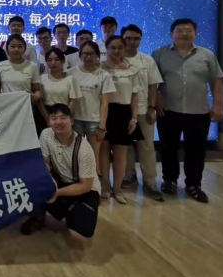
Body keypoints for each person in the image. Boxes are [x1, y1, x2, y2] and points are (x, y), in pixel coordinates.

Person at [153, 18, 223, 203]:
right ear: (171, 34)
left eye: (188, 30)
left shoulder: (207, 55)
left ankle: (194, 184)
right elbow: (152, 83)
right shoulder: (159, 54)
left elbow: (216, 81)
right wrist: (156, 103)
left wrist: (218, 105)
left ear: (195, 33)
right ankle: (169, 180)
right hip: (168, 110)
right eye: (179, 30)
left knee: (196, 150)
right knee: (168, 148)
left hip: (199, 112)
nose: (184, 33)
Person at [20, 104, 100, 239]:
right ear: (49, 121)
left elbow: (85, 186)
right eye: (54, 118)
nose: (58, 122)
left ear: (72, 121)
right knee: (34, 178)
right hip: (60, 181)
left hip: (85, 189)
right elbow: (45, 162)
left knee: (79, 233)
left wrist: (57, 193)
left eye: (63, 117)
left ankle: (70, 210)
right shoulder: (46, 134)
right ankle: (38, 217)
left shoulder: (84, 149)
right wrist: (45, 177)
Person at [121, 24, 165, 201]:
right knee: (125, 146)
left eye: (136, 38)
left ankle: (150, 182)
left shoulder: (147, 60)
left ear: (140, 40)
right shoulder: (114, 59)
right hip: (122, 111)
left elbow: (153, 86)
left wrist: (152, 108)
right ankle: (129, 175)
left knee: (147, 147)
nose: (132, 42)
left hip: (143, 110)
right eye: (128, 38)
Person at [100, 35, 143, 204]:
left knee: (120, 153)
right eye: (112, 47)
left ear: (124, 49)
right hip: (104, 111)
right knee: (103, 151)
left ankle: (117, 188)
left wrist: (134, 118)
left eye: (119, 47)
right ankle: (105, 185)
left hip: (124, 112)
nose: (116, 51)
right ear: (107, 49)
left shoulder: (132, 69)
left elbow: (135, 96)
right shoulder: (99, 67)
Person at [69, 41, 116, 174]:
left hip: (94, 121)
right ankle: (78, 181)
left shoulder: (103, 75)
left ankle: (95, 183)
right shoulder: (71, 72)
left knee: (94, 155)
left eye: (92, 54)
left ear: (98, 55)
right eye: (85, 54)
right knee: (76, 154)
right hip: (75, 120)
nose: (88, 57)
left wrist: (102, 126)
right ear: (80, 55)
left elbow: (105, 102)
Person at [0, 35, 41, 128]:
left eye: (20, 46)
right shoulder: (0, 65)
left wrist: (33, 96)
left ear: (24, 49)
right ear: (7, 49)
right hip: (6, 108)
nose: (16, 49)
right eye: (13, 46)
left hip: (26, 108)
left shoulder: (32, 66)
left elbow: (37, 90)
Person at [38, 48, 81, 132]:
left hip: (64, 114)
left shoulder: (70, 79)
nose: (53, 63)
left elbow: (73, 100)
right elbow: (40, 101)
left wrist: (63, 118)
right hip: (46, 115)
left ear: (63, 61)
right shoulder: (42, 79)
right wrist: (48, 118)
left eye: (56, 59)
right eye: (49, 60)